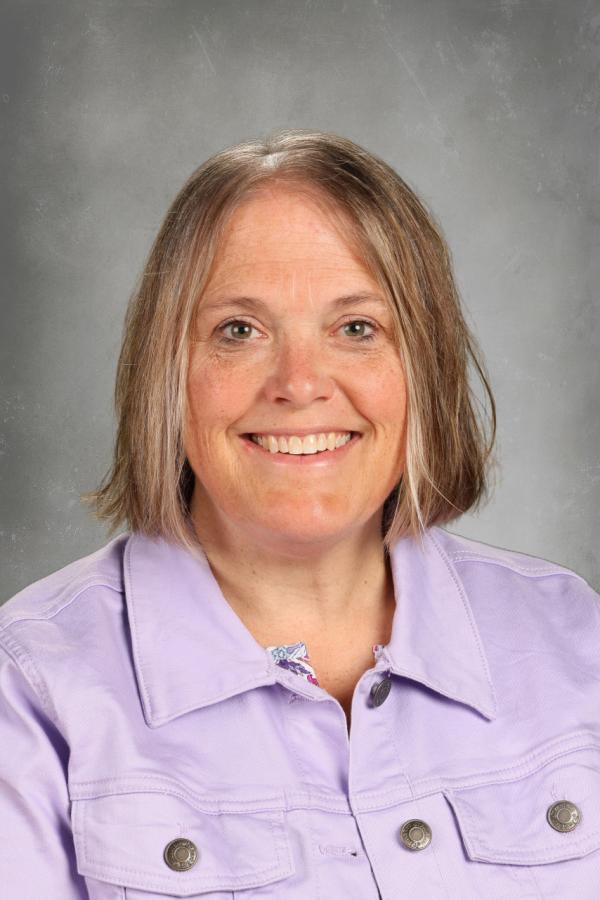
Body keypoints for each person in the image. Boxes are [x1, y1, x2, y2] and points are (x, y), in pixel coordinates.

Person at [1, 129, 598, 900]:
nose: (299, 383)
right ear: (167, 374)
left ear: (425, 365)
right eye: (238, 331)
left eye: (357, 328)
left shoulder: (573, 640)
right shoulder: (31, 691)